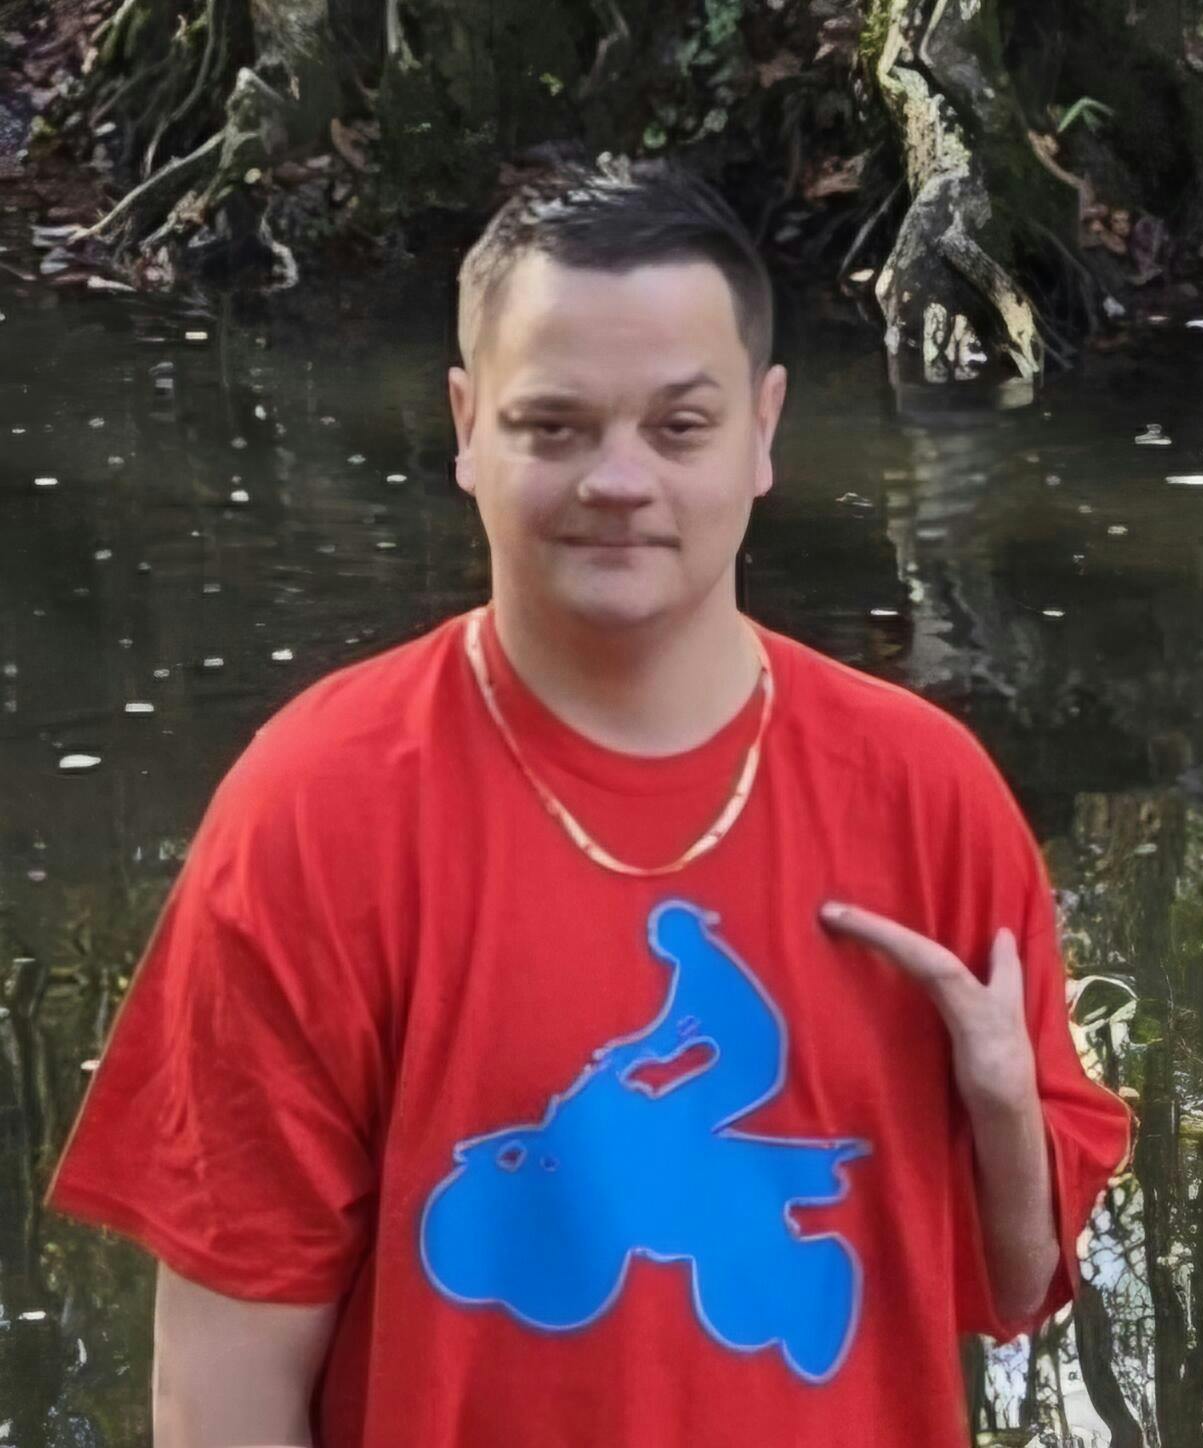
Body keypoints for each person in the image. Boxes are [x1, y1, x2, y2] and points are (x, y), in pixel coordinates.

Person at [45, 154, 1133, 1448]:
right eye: (553, 427)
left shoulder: (926, 797)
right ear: (466, 427)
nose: (618, 481)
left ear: (764, 430)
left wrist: (1002, 1106)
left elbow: (1013, 1284)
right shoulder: (318, 812)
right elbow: (222, 1386)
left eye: (679, 427)